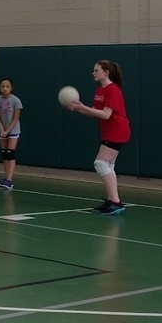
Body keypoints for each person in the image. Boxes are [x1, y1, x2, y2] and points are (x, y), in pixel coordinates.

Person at [65, 59, 130, 215]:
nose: (93, 73)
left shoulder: (113, 90)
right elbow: (94, 111)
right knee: (108, 166)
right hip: (109, 131)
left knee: (100, 163)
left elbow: (106, 115)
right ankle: (112, 201)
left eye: (96, 70)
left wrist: (82, 107)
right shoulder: (99, 90)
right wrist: (77, 108)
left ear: (106, 73)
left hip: (117, 130)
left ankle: (115, 202)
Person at [0, 78, 22, 189]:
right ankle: (6, 178)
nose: (5, 89)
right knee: (4, 154)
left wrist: (7, 131)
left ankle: (10, 180)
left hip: (13, 130)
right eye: (2, 86)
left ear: (11, 88)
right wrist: (1, 129)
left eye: (7, 86)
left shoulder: (16, 101)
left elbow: (15, 118)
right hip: (2, 130)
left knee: (10, 153)